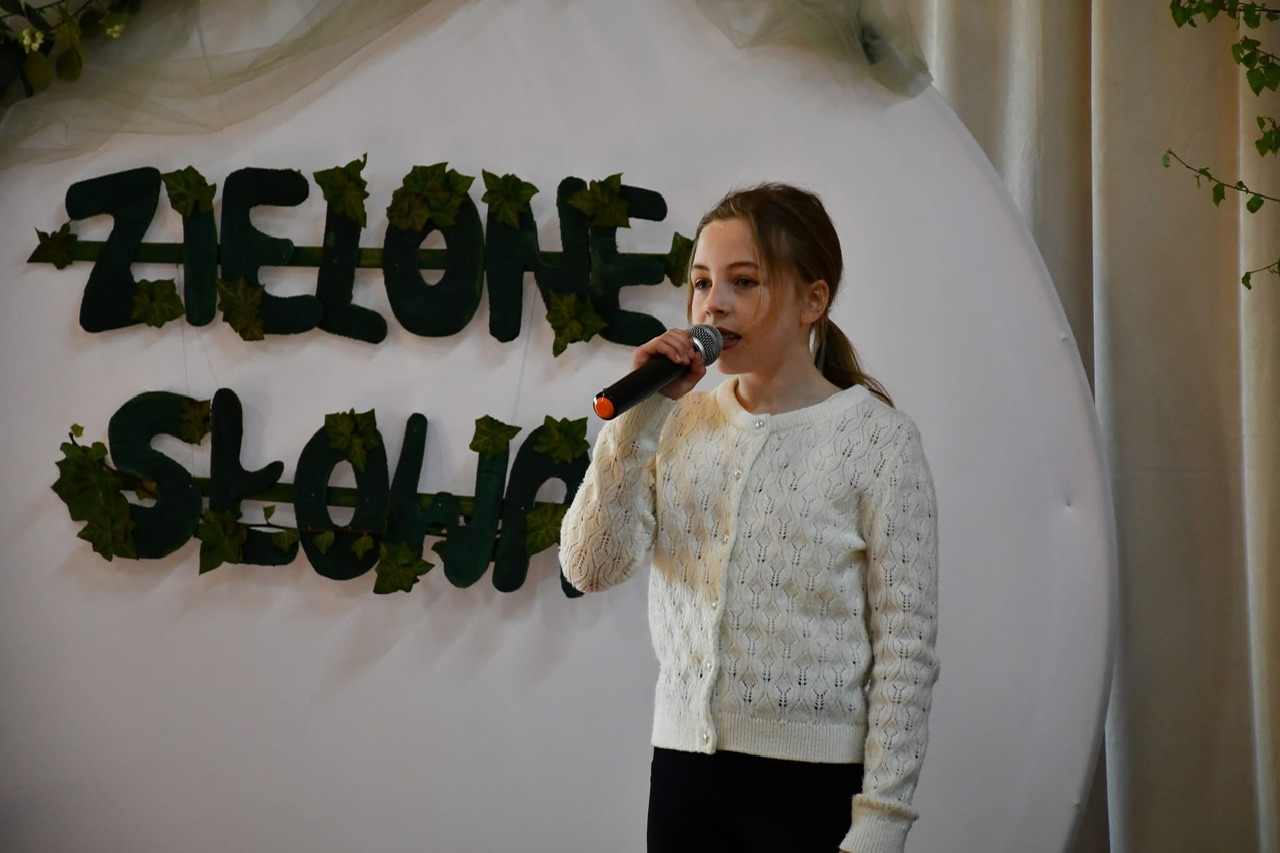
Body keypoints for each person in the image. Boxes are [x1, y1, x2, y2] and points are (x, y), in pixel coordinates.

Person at [558, 183, 939, 853]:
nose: (714, 303)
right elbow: (590, 567)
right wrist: (638, 418)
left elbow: (905, 651)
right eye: (702, 283)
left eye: (743, 281)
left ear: (812, 301)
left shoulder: (879, 441)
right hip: (683, 776)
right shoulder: (676, 422)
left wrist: (882, 819)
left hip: (812, 786)